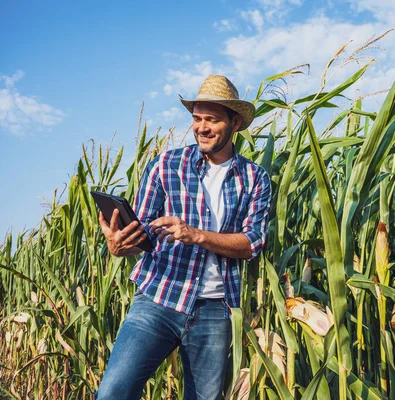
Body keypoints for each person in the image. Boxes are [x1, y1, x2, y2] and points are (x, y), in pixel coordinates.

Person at [95, 75, 271, 400]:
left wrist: (196, 235)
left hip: (215, 310)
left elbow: (252, 244)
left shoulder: (254, 178)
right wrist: (119, 245)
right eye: (196, 118)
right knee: (111, 394)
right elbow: (142, 231)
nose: (201, 127)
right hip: (158, 298)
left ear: (234, 122)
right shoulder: (166, 165)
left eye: (211, 119)